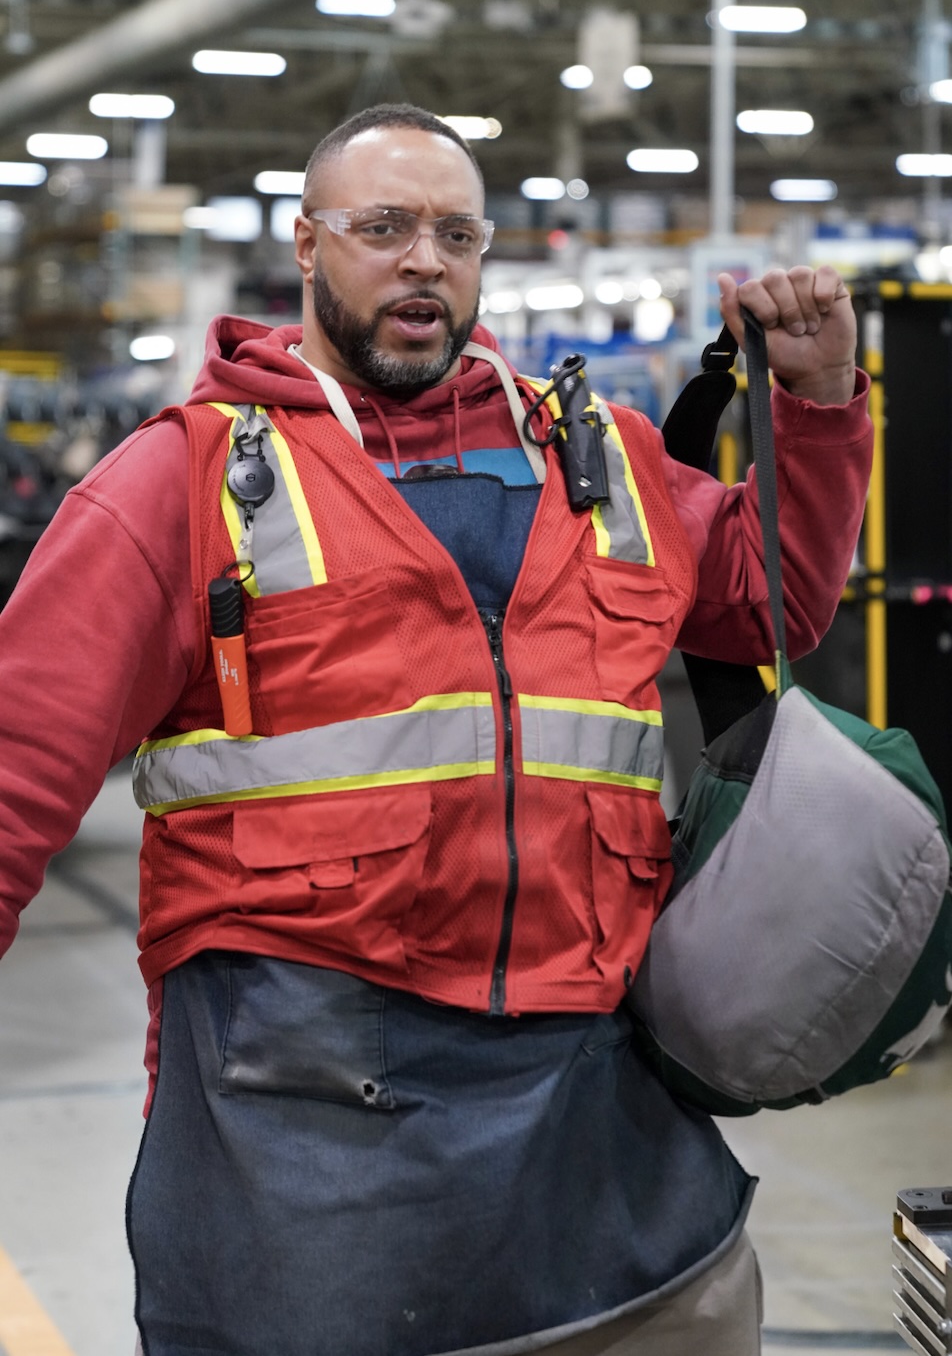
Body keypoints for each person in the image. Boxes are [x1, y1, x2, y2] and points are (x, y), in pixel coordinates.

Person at [0, 103, 871, 1356]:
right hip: (301, 1122)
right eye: (385, 227)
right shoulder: (183, 482)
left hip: (594, 1101)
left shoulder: (599, 460)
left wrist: (820, 401)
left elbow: (764, 598)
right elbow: (18, 768)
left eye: (456, 235)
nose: (424, 260)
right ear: (307, 246)